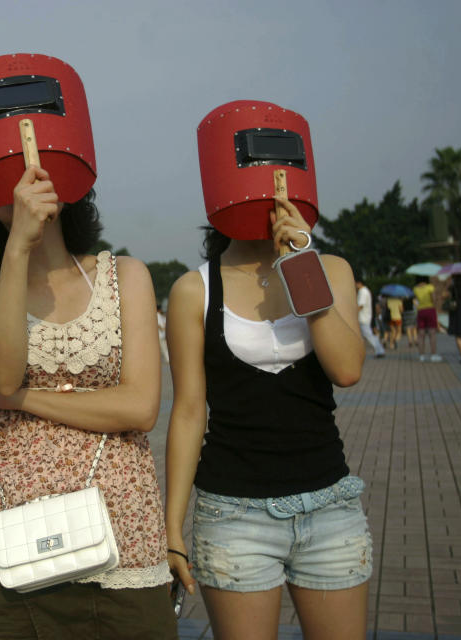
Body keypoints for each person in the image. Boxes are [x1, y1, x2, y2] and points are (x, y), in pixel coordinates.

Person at [0, 53, 176, 639]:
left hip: (125, 540)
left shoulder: (126, 275)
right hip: (12, 540)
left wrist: (23, 400)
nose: (24, 188)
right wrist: (19, 247)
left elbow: (139, 408)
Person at [167, 99, 370, 639]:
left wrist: (300, 263)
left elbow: (347, 369)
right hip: (232, 514)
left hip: (330, 506)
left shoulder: (330, 270)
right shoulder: (194, 290)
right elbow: (188, 411)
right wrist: (172, 525)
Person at [413, 276, 443, 362]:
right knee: (432, 333)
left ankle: (421, 355)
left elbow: (415, 301)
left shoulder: (415, 289)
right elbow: (433, 299)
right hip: (430, 310)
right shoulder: (430, 287)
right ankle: (433, 355)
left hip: (420, 311)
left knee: (421, 334)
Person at [355, 279, 385, 357]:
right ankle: (379, 350)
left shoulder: (363, 292)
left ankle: (380, 351)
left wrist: (353, 313)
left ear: (358, 283)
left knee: (369, 335)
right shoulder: (365, 291)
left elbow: (361, 305)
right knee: (364, 336)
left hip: (363, 317)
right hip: (365, 316)